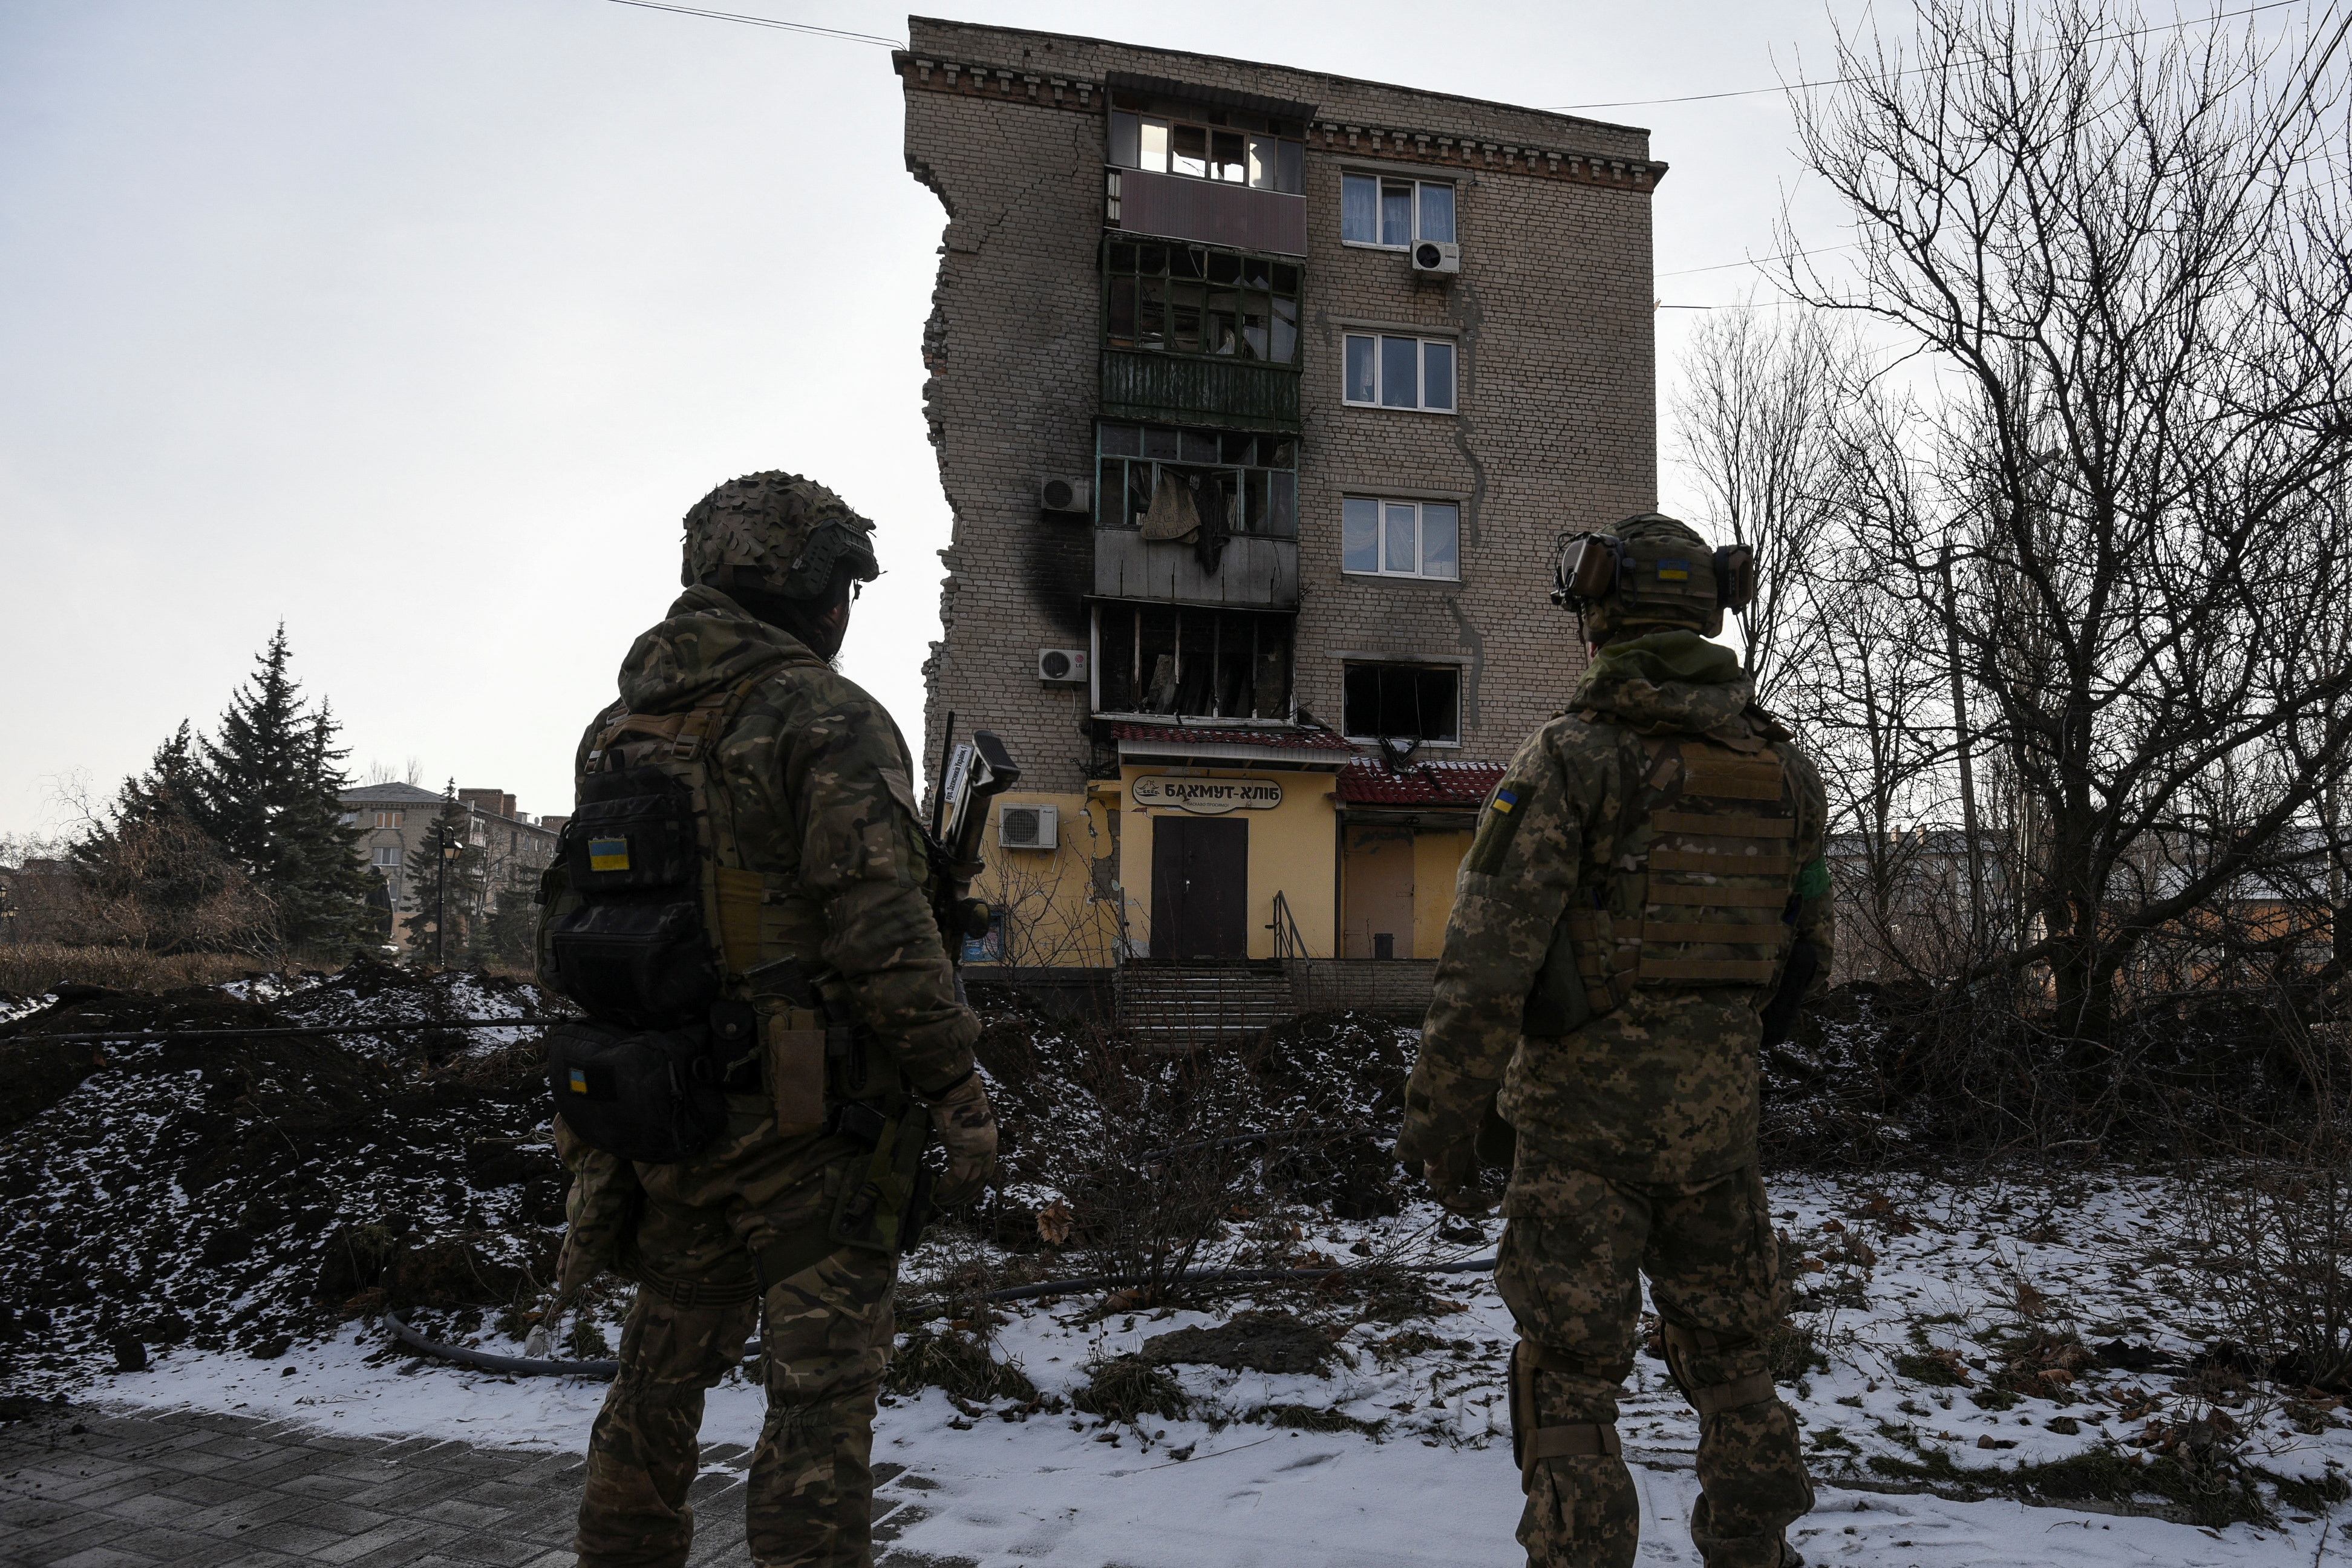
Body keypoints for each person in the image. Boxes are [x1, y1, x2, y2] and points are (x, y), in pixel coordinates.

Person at [552, 471, 996, 1568]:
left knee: (655, 1380)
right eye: (842, 583)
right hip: (811, 1135)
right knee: (817, 1414)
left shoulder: (617, 730)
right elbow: (883, 934)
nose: (845, 611)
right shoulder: (823, 716)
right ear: (807, 586)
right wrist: (958, 1093)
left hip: (669, 1113)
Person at [1397, 514, 1833, 1568]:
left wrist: (1439, 1125)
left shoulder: (1571, 760)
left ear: (1600, 616)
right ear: (1707, 616)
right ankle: (1755, 1551)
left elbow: (1485, 964)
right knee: (1737, 1361)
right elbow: (1806, 961)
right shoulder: (1784, 770)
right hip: (1718, 1136)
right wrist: (1711, 1055)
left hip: (1579, 1138)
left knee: (1573, 1380)